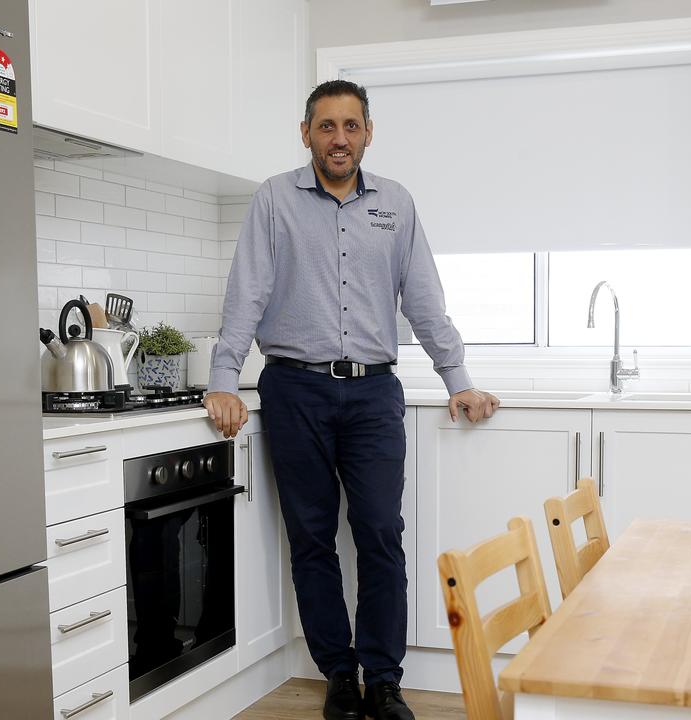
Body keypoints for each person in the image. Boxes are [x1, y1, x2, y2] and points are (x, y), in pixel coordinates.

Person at [203, 80, 500, 720]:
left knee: (379, 534)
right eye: (327, 126)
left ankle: (385, 680)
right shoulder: (274, 200)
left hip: (372, 394)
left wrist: (459, 380)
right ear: (306, 132)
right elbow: (246, 293)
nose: (340, 139)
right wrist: (224, 377)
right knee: (311, 538)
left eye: (351, 126)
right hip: (294, 390)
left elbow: (423, 301)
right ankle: (339, 675)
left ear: (368, 132)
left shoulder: (396, 204)